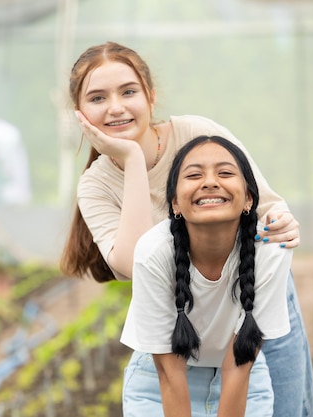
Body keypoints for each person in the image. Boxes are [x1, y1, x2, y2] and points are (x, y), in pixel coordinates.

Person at [59, 41, 313, 416]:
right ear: (80, 113)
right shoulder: (95, 184)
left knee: (286, 408)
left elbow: (264, 208)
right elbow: (135, 264)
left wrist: (282, 224)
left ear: (150, 96)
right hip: (180, 318)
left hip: (250, 302)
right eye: (98, 98)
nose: (115, 107)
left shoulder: (196, 134)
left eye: (128, 91)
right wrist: (131, 160)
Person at [121, 135, 290, 417]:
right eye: (194, 175)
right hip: (159, 381)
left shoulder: (271, 250)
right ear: (175, 203)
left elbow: (239, 363)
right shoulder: (153, 252)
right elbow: (169, 371)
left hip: (242, 378)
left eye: (225, 173)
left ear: (248, 198)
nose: (210, 182)